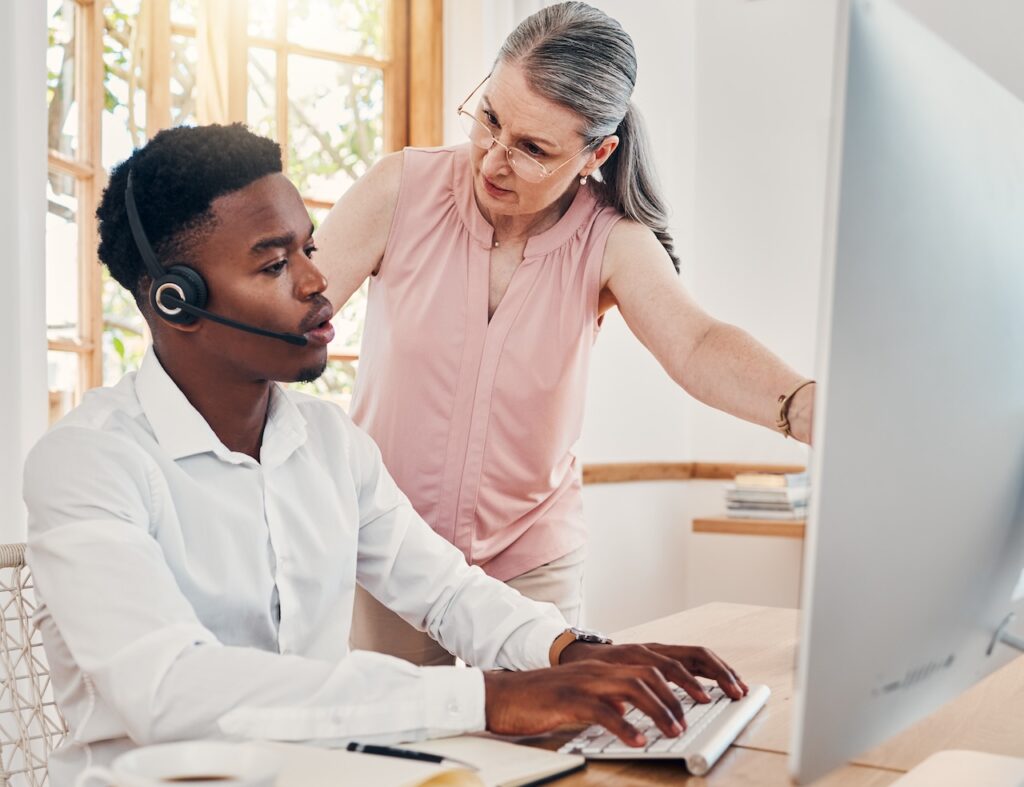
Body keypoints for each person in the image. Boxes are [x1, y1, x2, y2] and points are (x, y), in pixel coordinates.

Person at [24, 124, 748, 785]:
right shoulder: (88, 464)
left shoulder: (330, 444)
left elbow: (444, 589)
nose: (317, 283)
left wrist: (571, 649)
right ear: (174, 301)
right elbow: (169, 691)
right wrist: (490, 696)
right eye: (275, 265)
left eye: (308, 247)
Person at [314, 0, 816, 667]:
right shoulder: (399, 189)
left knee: (545, 762)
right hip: (389, 554)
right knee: (395, 763)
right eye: (490, 118)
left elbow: (694, 344)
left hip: (532, 564)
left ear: (596, 153)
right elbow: (288, 317)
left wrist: (813, 411)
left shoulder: (610, 239)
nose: (494, 159)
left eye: (532, 149)